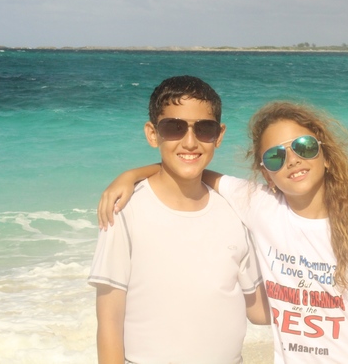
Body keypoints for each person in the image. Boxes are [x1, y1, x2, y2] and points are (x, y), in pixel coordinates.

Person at [99, 101, 348, 363]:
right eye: (275, 157)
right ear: (266, 174)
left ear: (326, 155)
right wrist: (132, 175)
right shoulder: (260, 206)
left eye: (304, 147)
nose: (292, 159)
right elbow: (192, 169)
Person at [88, 75, 269, 364]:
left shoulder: (235, 210)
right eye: (174, 127)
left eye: (204, 129)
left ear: (219, 135)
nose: (190, 142)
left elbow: (258, 310)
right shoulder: (125, 210)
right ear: (152, 134)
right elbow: (109, 319)